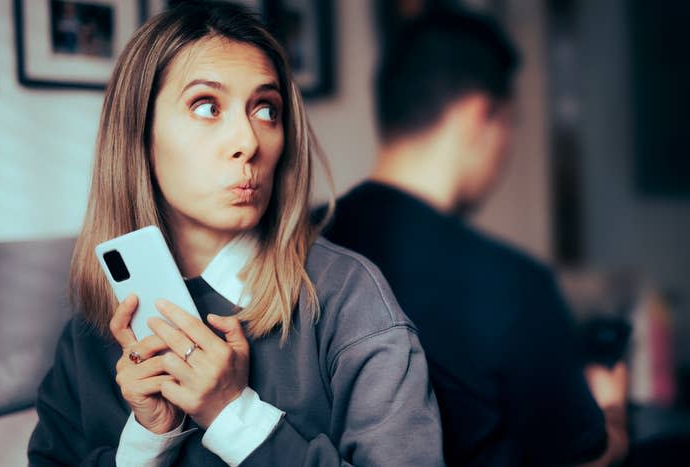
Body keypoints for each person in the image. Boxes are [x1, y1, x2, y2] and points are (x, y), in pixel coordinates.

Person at [28, 2, 444, 466]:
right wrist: (147, 441)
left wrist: (232, 416)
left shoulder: (350, 299)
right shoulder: (94, 326)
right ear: (139, 134)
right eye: (207, 106)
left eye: (266, 109)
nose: (248, 141)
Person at [321, 7, 629, 467]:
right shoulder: (512, 285)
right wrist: (613, 410)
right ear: (481, 115)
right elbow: (585, 458)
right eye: (509, 124)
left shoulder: (304, 239)